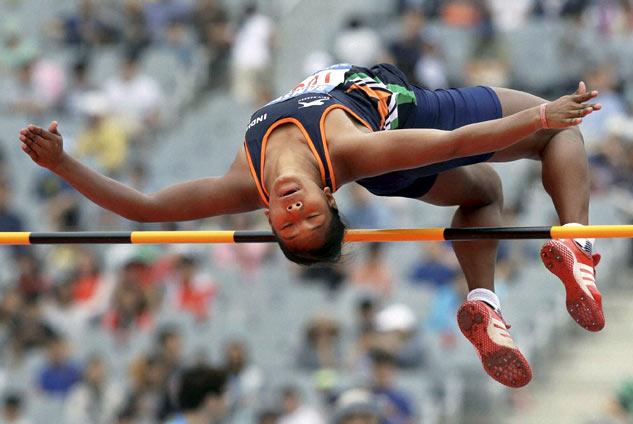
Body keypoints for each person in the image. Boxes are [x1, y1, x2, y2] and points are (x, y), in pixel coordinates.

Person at [19, 61, 602, 388]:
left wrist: (62, 162)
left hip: (392, 144)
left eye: (286, 221)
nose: (292, 209)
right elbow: (454, 141)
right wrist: (541, 115)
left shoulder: (243, 183)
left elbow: (144, 209)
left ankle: (484, 302)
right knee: (559, 135)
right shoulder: (349, 151)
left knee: (483, 196)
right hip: (406, 115)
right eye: (309, 217)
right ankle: (574, 241)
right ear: (328, 194)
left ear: (268, 218)